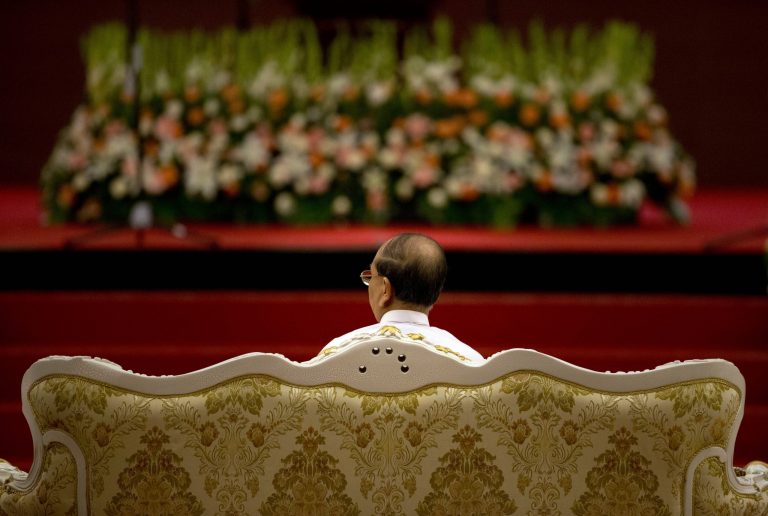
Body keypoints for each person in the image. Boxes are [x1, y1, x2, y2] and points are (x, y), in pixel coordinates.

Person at [319, 232, 485, 362]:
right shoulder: (470, 361)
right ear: (436, 291)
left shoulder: (334, 353)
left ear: (385, 289)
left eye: (371, 277)